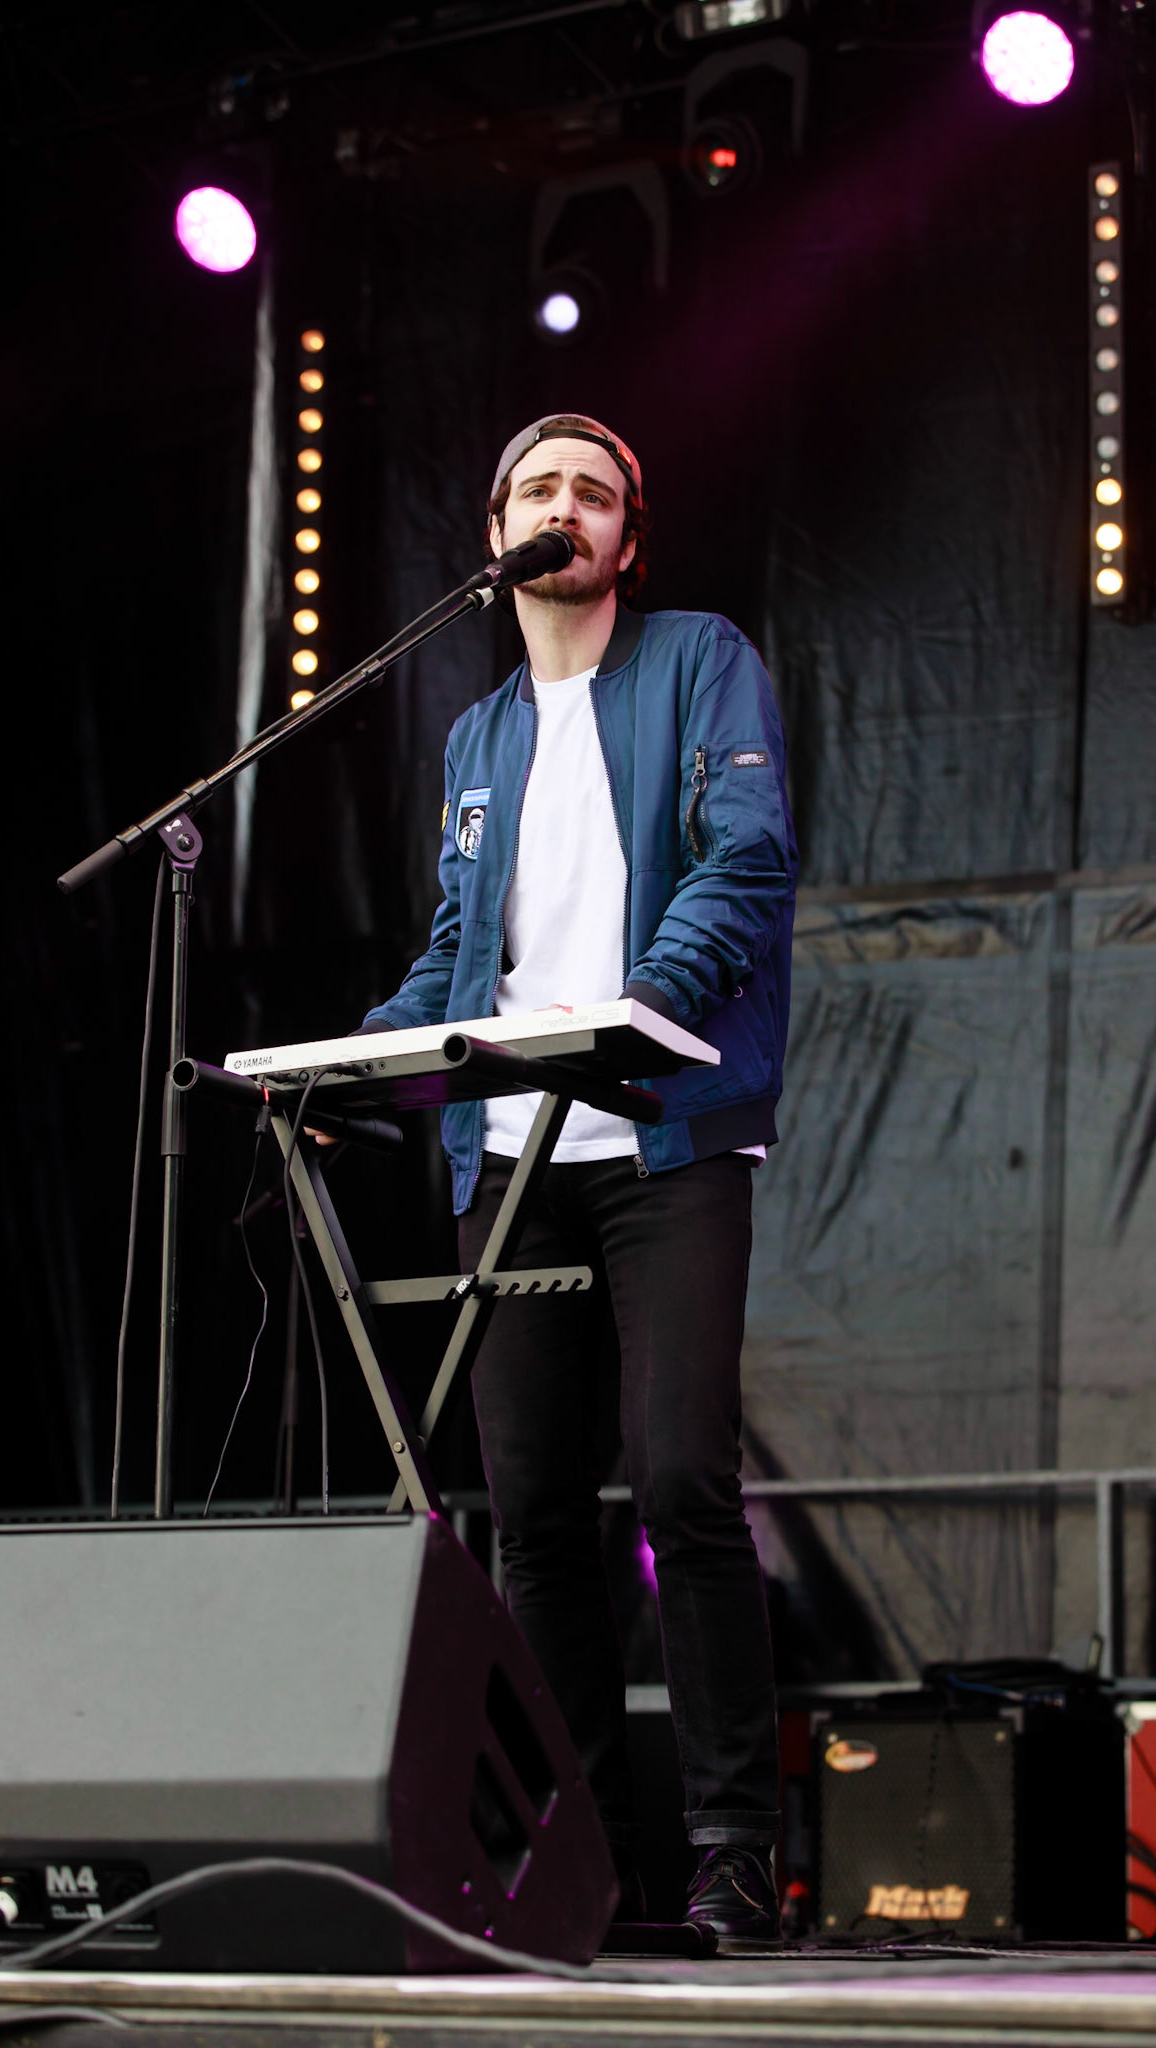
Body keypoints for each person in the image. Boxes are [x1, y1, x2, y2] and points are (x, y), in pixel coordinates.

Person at [358, 413, 797, 1949]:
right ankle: (589, 1858)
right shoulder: (475, 736)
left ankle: (734, 1844)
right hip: (513, 1152)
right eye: (539, 488)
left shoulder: (699, 660)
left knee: (681, 1477)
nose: (566, 507)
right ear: (497, 532)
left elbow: (744, 861)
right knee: (531, 1514)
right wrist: (356, 1058)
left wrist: (637, 1014)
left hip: (663, 1132)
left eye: (593, 492)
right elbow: (458, 952)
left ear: (627, 536)